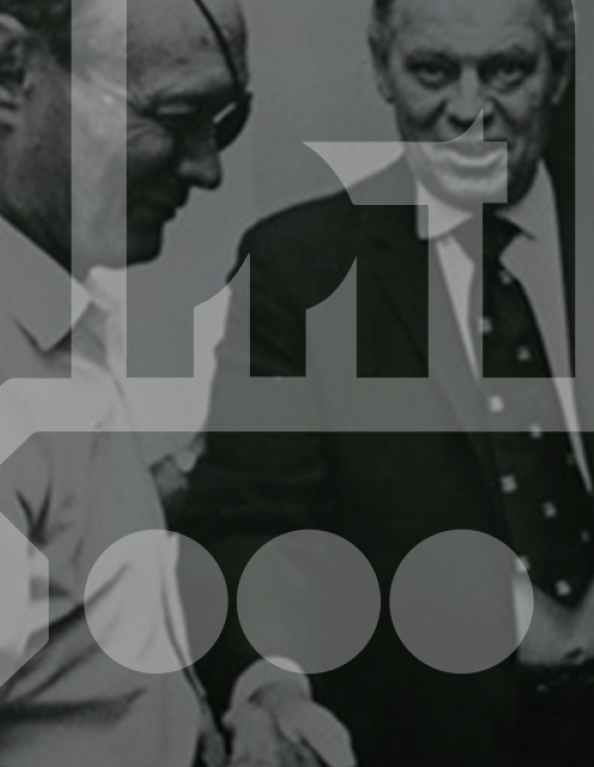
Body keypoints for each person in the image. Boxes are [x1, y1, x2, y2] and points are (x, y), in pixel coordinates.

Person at [0, 0, 267, 765]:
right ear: (7, 73)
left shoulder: (5, 311)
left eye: (224, 124)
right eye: (177, 117)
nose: (208, 168)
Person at [186, 0, 594, 765]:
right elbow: (247, 524)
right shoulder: (300, 271)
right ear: (381, 67)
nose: (468, 109)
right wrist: (273, 689)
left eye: (505, 69)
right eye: (432, 71)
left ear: (559, 70)